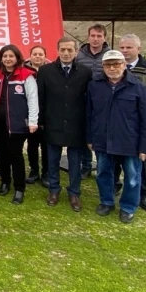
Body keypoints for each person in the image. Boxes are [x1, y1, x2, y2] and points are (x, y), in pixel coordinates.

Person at [87, 50, 146, 223]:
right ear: (103, 67)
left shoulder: (138, 87)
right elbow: (89, 114)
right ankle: (106, 202)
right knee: (103, 173)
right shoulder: (95, 85)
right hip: (103, 139)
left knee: (132, 177)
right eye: (108, 65)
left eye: (116, 64)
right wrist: (89, 138)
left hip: (130, 141)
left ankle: (128, 207)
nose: (112, 68)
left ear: (124, 65)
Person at [37, 38, 92, 212]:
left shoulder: (85, 72)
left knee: (75, 161)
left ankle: (74, 192)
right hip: (53, 122)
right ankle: (54, 190)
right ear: (57, 50)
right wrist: (40, 122)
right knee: (52, 160)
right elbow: (40, 98)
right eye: (63, 49)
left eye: (70, 50)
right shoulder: (45, 71)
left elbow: (89, 100)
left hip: (76, 123)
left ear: (76, 52)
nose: (66, 53)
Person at [116, 34, 146, 211]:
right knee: (114, 158)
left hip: (140, 125)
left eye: (129, 47)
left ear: (139, 49)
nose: (125, 51)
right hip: (118, 123)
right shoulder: (114, 67)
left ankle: (145, 194)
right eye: (122, 47)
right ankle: (116, 187)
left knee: (143, 160)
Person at [0, 44, 38, 204]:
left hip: (18, 124)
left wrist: (33, 121)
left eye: (11, 56)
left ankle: (19, 188)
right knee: (2, 154)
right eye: (5, 56)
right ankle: (5, 181)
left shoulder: (26, 76)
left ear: (17, 58)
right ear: (1, 59)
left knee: (16, 155)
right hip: (0, 123)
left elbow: (32, 100)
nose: (8, 59)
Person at [76, 23, 110, 178]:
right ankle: (86, 165)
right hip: (83, 99)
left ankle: (104, 166)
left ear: (104, 38)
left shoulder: (110, 55)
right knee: (84, 133)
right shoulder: (79, 55)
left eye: (99, 36)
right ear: (88, 37)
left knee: (102, 133)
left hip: (104, 100)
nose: (95, 39)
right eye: (93, 36)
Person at [23, 45, 49, 185]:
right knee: (32, 145)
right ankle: (34, 171)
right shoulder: (24, 70)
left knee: (46, 146)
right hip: (29, 113)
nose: (38, 56)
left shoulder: (51, 70)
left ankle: (46, 172)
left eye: (40, 54)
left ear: (45, 55)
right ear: (30, 55)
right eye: (35, 54)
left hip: (47, 113)